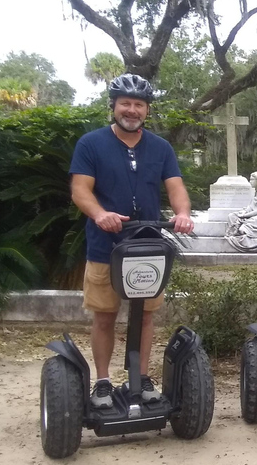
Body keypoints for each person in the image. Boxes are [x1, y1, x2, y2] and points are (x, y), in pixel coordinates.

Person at [69, 73, 194, 408]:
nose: (132, 109)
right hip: (105, 246)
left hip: (148, 245)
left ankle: (140, 377)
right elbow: (81, 190)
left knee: (147, 315)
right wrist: (99, 214)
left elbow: (176, 187)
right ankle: (104, 382)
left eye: (139, 104)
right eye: (126, 103)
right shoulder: (91, 144)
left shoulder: (160, 147)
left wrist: (182, 213)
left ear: (147, 110)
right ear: (114, 106)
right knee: (105, 315)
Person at [225, 171, 257, 252]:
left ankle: (241, 231)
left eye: (252, 180)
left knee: (244, 228)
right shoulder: (256, 192)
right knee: (232, 216)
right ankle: (237, 231)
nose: (250, 182)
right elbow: (251, 206)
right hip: (253, 213)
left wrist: (244, 216)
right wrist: (244, 212)